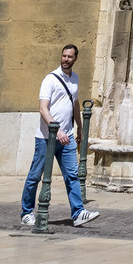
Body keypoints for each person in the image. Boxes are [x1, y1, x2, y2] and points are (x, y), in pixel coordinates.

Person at [20, 43, 99, 229]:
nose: (66, 59)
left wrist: (79, 127)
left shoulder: (75, 79)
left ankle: (79, 213)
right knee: (35, 175)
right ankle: (26, 212)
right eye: (64, 56)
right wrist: (57, 130)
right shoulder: (50, 79)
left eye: (69, 57)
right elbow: (43, 108)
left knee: (72, 175)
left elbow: (75, 103)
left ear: (75, 59)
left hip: (68, 137)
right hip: (47, 137)